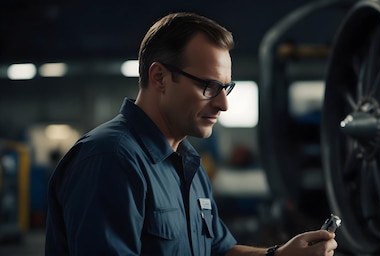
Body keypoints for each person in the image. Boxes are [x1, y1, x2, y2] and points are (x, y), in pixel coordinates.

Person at [45, 12, 337, 256]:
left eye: (226, 88)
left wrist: (279, 255)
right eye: (209, 87)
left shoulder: (188, 165)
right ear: (159, 77)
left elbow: (218, 249)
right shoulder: (111, 159)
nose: (223, 104)